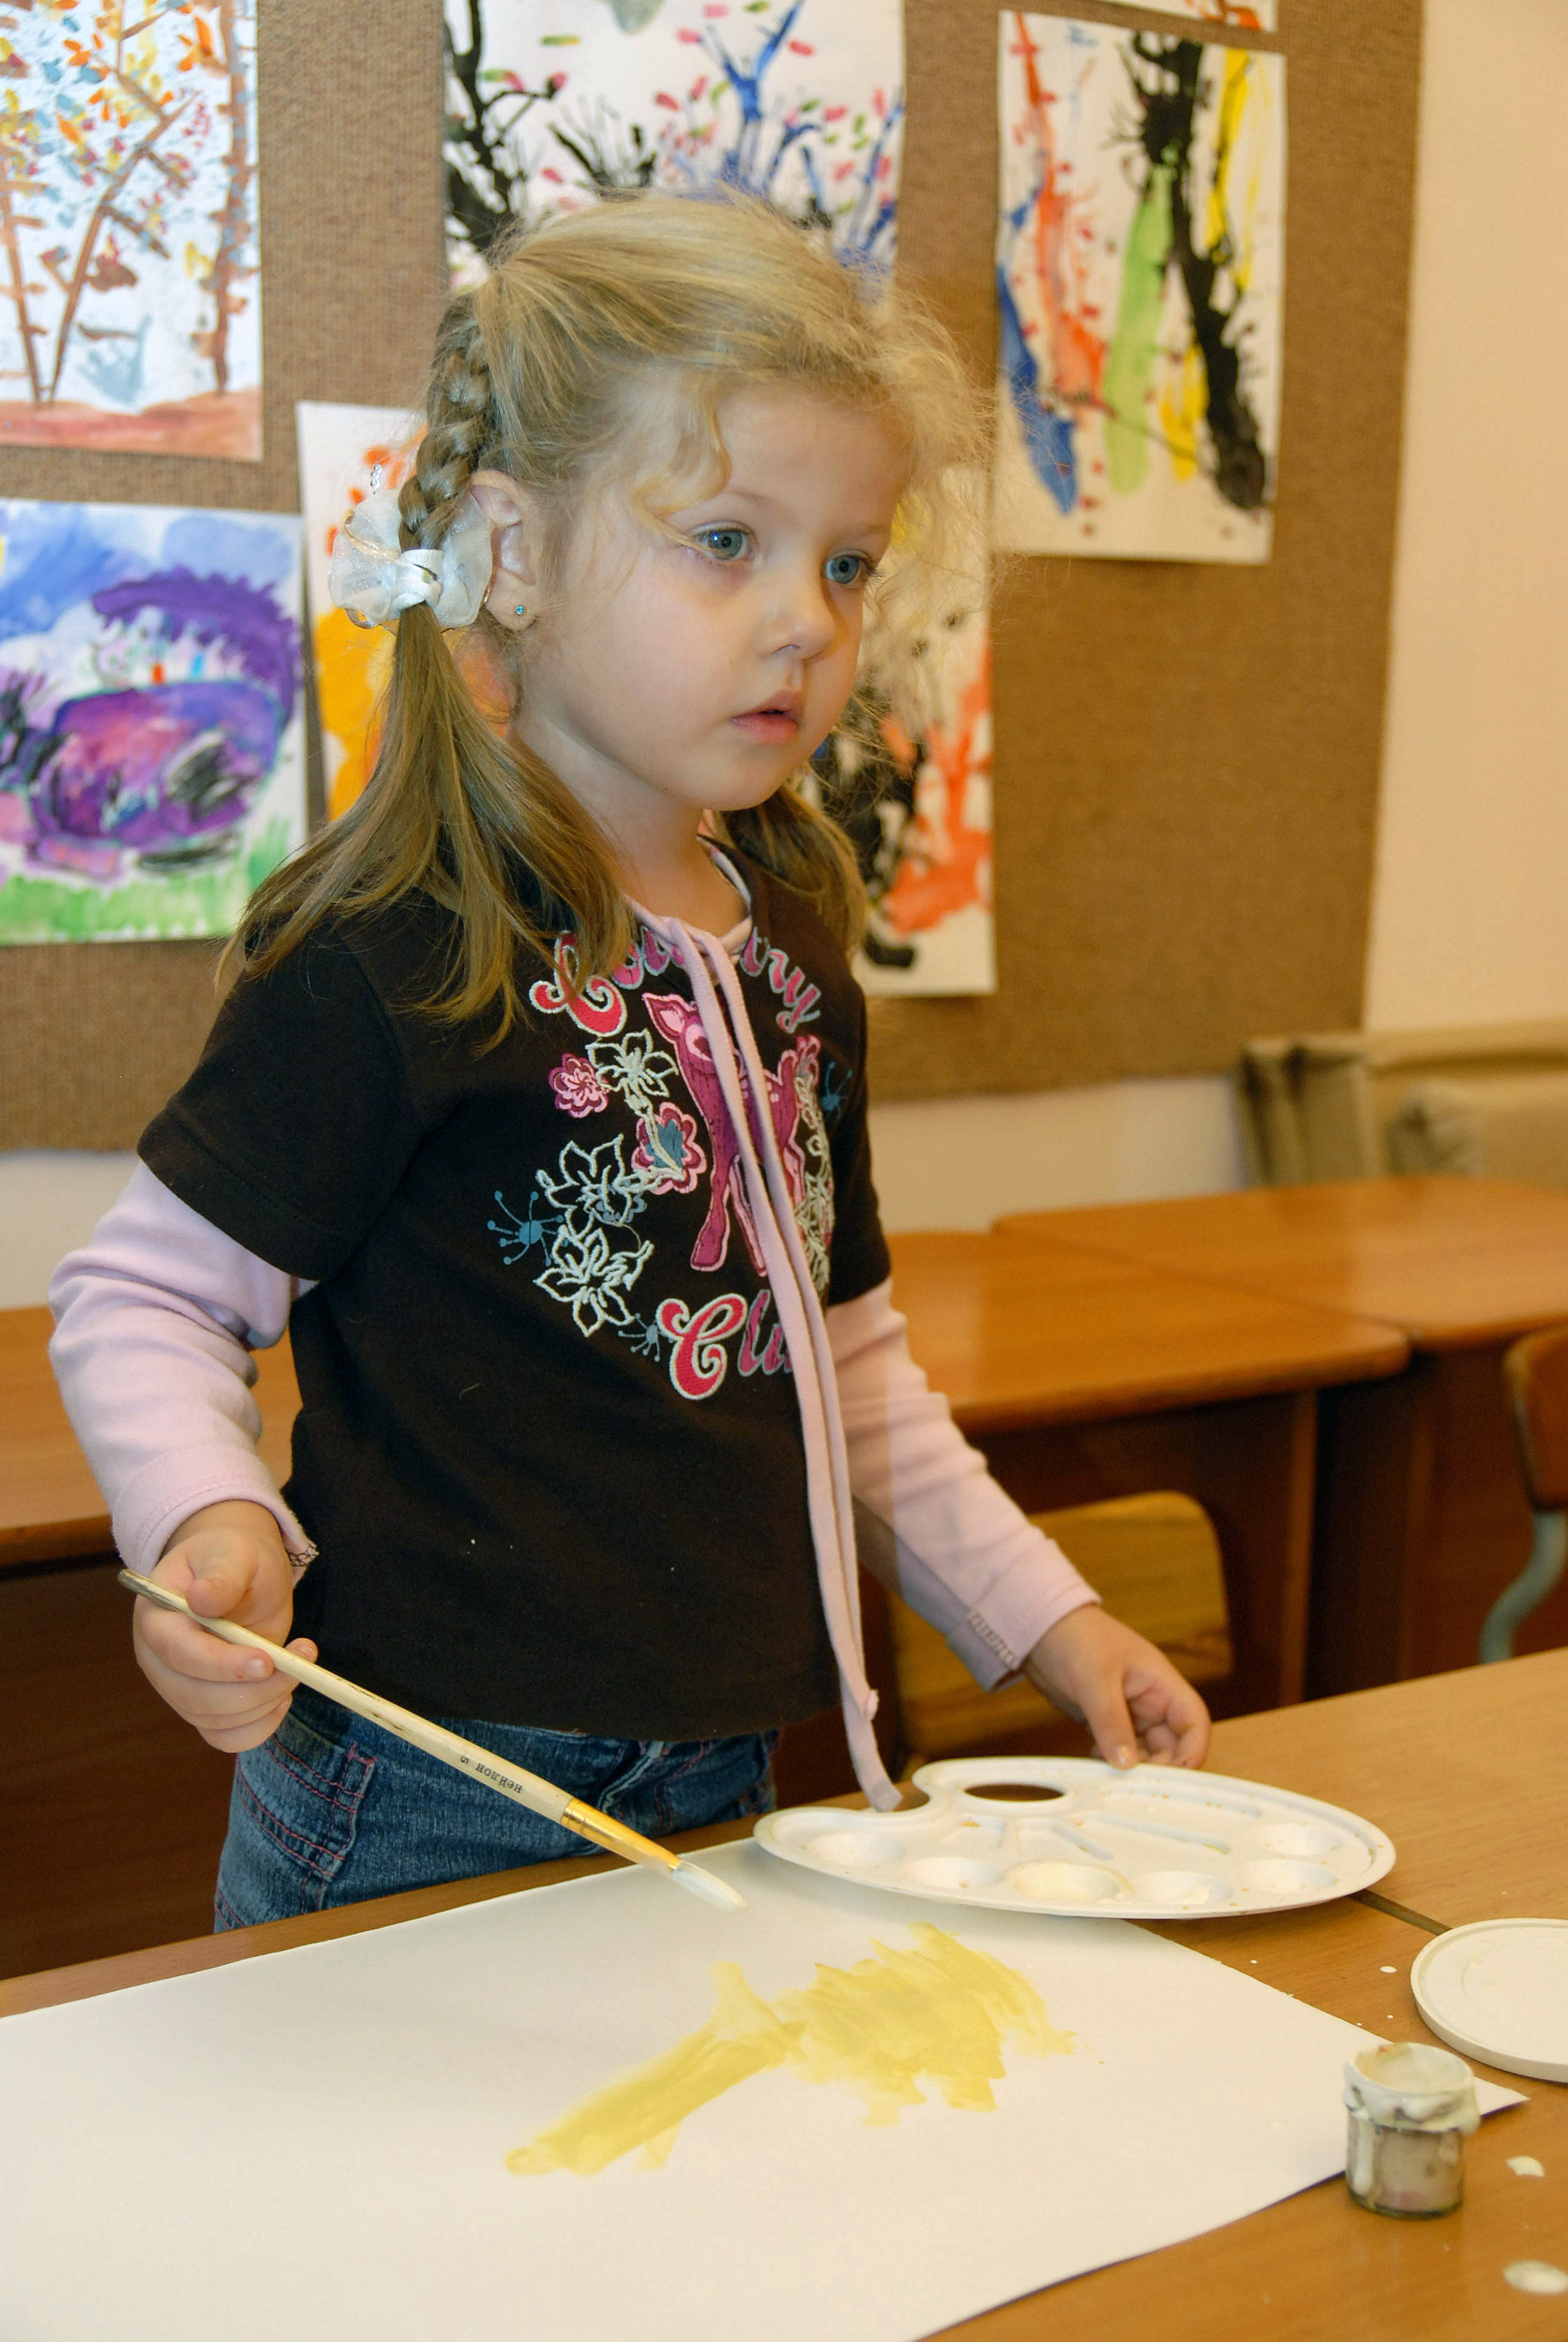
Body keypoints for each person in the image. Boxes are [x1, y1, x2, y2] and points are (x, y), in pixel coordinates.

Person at [50, 194, 1209, 1928]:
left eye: (846, 561)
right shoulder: (396, 939)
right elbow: (144, 1297)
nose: (811, 621)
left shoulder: (796, 924)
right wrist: (200, 1526)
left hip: (726, 1769)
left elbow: (844, 1361)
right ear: (510, 553)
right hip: (419, 1788)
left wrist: (1049, 1622)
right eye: (726, 541)